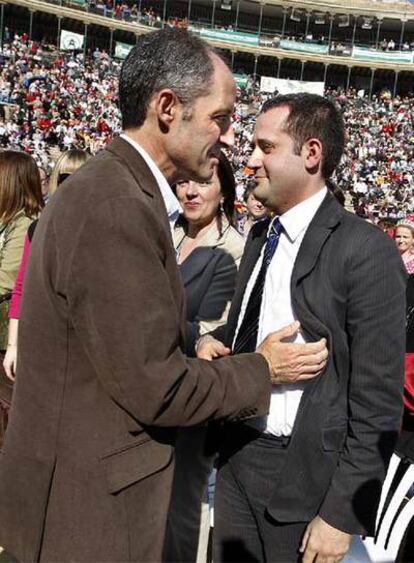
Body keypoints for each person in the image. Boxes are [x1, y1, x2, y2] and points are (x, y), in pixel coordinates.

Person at [0, 30, 327, 562]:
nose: (226, 136)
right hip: (88, 514)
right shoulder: (115, 205)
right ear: (168, 108)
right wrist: (263, 369)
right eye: (219, 118)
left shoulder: (113, 190)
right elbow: (157, 386)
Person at [198, 93, 406, 562]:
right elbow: (256, 328)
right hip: (235, 459)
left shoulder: (366, 251)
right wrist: (219, 343)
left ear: (311, 154)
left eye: (265, 147)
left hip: (306, 475)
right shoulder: (259, 236)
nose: (250, 160)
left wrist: (340, 515)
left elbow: (377, 404)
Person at [166, 152, 244, 563]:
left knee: (185, 508)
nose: (191, 191)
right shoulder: (165, 233)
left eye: (203, 182)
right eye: (183, 182)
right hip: (150, 387)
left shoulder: (233, 249)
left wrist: (157, 324)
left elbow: (215, 331)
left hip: (193, 398)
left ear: (225, 189)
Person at [3, 149, 91, 381]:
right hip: (46, 338)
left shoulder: (104, 228)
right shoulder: (37, 229)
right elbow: (21, 288)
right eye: (65, 178)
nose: (72, 184)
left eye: (81, 176)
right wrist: (13, 345)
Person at [0, 150, 44, 448]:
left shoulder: (26, 223)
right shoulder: (8, 222)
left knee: (9, 417)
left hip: (9, 340)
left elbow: (7, 279)